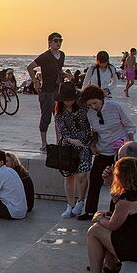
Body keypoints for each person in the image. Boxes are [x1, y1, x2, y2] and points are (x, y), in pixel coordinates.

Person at [78, 85, 136, 221]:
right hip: (102, 150)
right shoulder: (90, 114)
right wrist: (93, 144)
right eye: (90, 104)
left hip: (119, 150)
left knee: (117, 182)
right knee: (95, 180)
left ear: (101, 98)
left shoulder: (115, 107)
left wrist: (130, 144)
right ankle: (90, 211)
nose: (93, 106)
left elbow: (129, 126)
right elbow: (95, 132)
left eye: (95, 103)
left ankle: (113, 211)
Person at [53, 82, 91, 218]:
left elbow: (90, 123)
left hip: (84, 144)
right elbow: (61, 128)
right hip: (68, 146)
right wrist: (70, 140)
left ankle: (81, 201)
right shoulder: (59, 111)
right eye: (66, 99)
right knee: (68, 176)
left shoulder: (83, 107)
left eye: (70, 99)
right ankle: (70, 204)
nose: (68, 102)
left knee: (82, 175)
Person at [26, 32, 66, 151]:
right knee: (46, 118)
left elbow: (58, 70)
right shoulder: (45, 56)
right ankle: (44, 143)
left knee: (59, 117)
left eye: (60, 40)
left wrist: (65, 75)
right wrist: (35, 81)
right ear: (49, 42)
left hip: (58, 90)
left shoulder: (62, 55)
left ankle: (59, 142)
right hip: (47, 91)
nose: (58, 43)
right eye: (55, 40)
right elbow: (30, 67)